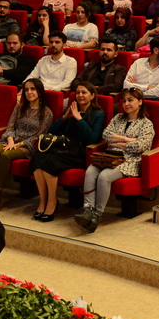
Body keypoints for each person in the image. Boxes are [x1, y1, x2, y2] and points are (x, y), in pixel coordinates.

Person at [74, 88, 156, 233]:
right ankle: (88, 210)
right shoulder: (118, 118)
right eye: (124, 101)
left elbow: (141, 145)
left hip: (131, 160)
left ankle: (97, 215)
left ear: (140, 102)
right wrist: (126, 139)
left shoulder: (146, 124)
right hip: (110, 156)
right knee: (90, 171)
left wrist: (118, 142)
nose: (126, 104)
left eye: (130, 100)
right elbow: (106, 135)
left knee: (104, 176)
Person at [31, 81, 107, 221]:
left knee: (49, 162)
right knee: (38, 157)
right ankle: (43, 201)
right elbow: (52, 132)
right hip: (63, 149)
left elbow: (92, 139)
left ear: (92, 96)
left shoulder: (98, 114)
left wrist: (79, 119)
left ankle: (52, 202)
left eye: (84, 92)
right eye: (78, 92)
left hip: (78, 153)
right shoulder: (71, 110)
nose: (80, 95)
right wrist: (64, 118)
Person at [0, 78, 54, 212]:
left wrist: (18, 144)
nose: (29, 92)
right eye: (26, 90)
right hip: (10, 140)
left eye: (32, 89)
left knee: (5, 156)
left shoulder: (47, 113)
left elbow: (39, 136)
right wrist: (10, 141)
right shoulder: (19, 107)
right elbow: (10, 127)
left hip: (27, 146)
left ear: (39, 92)